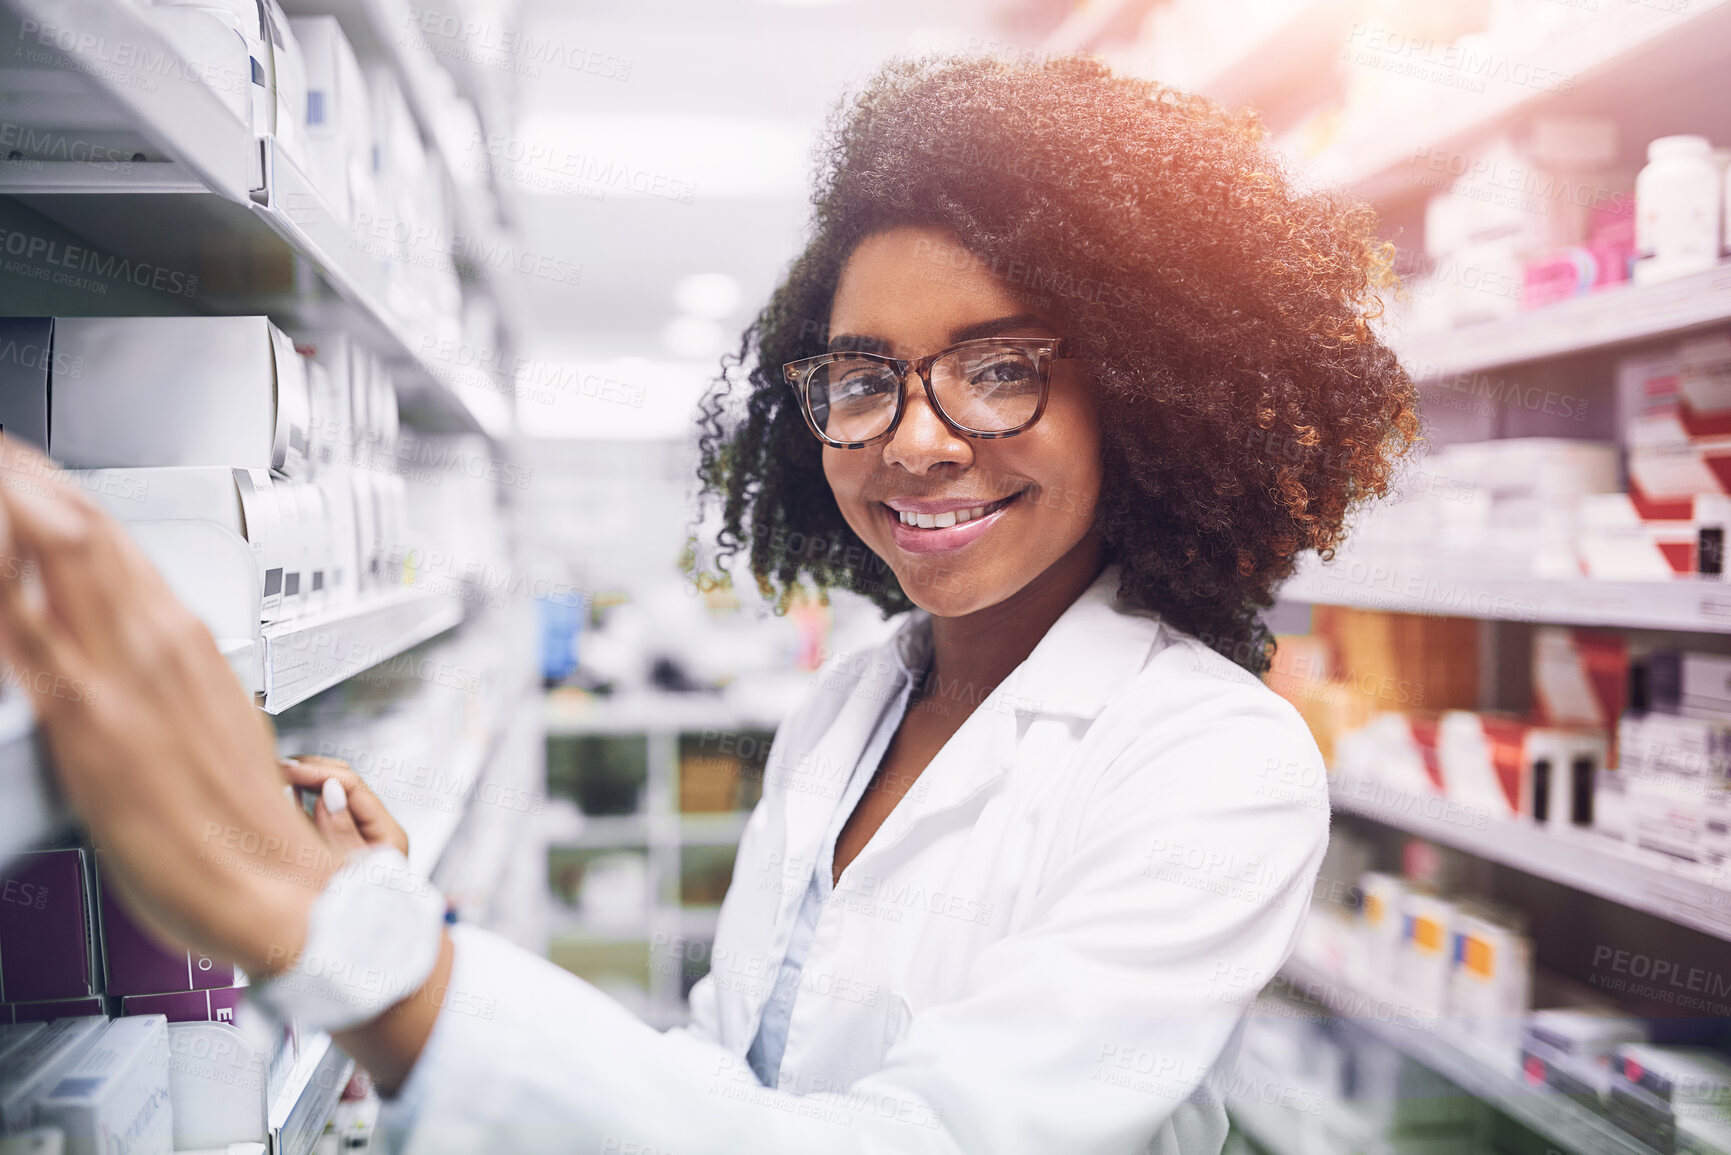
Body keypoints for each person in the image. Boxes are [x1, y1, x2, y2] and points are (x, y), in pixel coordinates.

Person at [0, 53, 1417, 1154]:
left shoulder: (1213, 762)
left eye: (998, 368)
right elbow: (732, 1074)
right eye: (863, 378)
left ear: (1145, 392)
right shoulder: (855, 702)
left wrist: (359, 961)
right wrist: (397, 923)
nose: (915, 442)